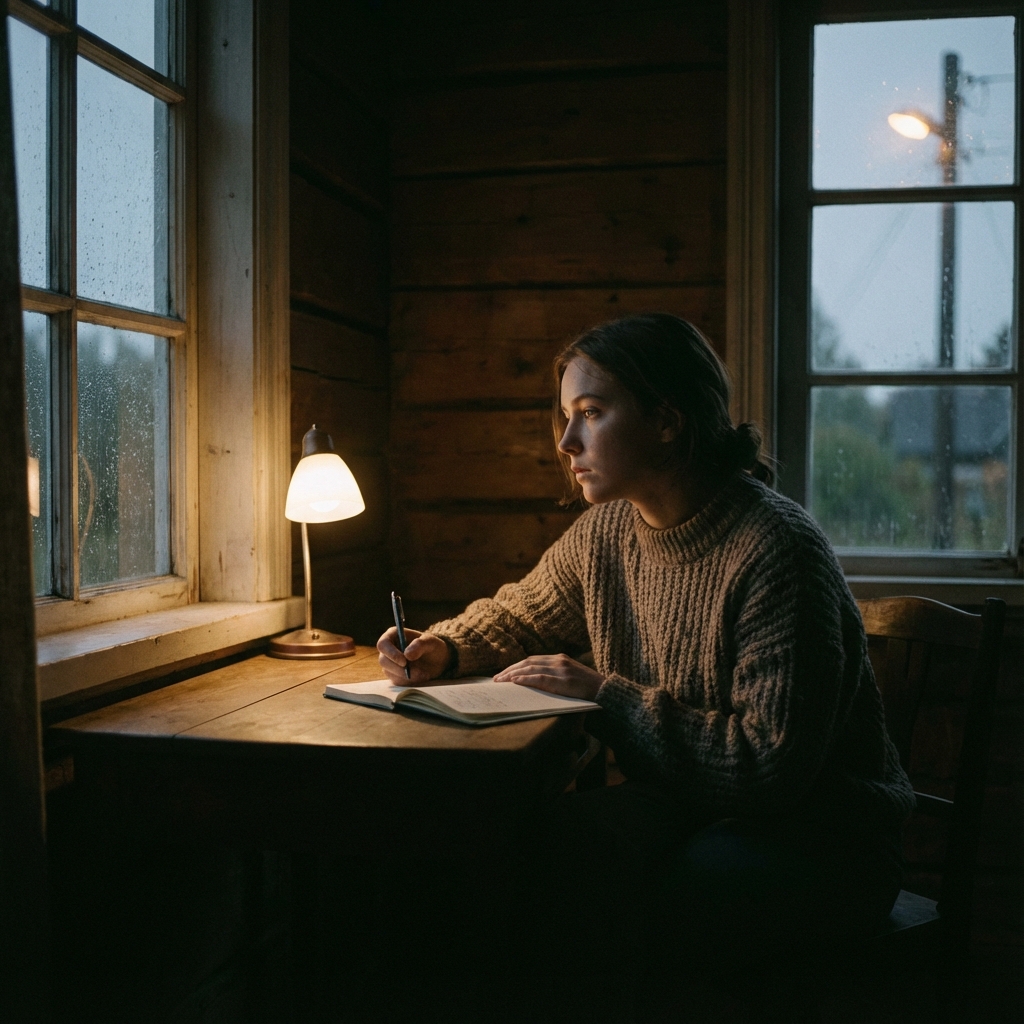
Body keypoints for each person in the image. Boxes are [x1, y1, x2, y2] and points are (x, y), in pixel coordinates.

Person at [377, 314, 914, 1019]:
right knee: (525, 855)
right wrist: (440, 646)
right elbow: (519, 614)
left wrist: (607, 695)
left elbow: (769, 769)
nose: (567, 442)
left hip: (822, 837)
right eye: (565, 416)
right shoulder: (608, 530)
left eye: (592, 414)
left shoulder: (775, 550)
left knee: (647, 906)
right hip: (688, 806)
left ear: (666, 420)